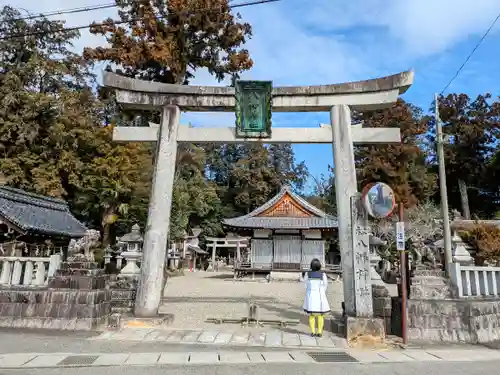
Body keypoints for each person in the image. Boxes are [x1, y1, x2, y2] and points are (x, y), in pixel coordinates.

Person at [302, 258, 330, 337]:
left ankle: (313, 332)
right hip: (320, 296)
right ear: (319, 266)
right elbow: (325, 285)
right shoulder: (322, 274)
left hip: (311, 296)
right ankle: (320, 332)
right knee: (320, 315)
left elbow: (305, 284)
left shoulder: (308, 274)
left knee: (312, 315)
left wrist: (309, 291)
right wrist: (322, 292)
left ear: (311, 266)